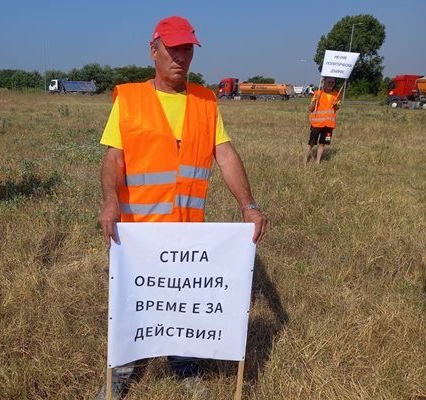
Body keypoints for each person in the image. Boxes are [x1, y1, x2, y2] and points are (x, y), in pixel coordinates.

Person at [96, 15, 267, 399]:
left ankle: (184, 365)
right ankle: (121, 371)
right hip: (138, 231)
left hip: (189, 230)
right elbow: (114, 158)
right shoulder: (130, 98)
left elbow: (224, 154)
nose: (180, 57)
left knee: (184, 300)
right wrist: (110, 203)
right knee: (132, 300)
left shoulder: (206, 102)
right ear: (153, 50)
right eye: (173, 49)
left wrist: (248, 205)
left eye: (187, 49)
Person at [304, 77, 340, 164]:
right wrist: (314, 102)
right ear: (324, 82)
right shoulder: (317, 93)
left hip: (329, 125)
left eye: (332, 82)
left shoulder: (337, 94)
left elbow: (337, 108)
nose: (330, 83)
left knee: (323, 143)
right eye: (329, 82)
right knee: (311, 143)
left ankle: (317, 162)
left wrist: (336, 105)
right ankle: (304, 161)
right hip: (317, 124)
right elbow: (310, 109)